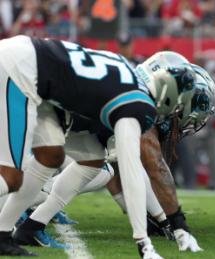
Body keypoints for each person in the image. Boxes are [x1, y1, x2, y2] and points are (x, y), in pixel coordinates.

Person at [0, 36, 199, 258]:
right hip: (21, 70)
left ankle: (6, 233)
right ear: (169, 96)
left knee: (67, 157)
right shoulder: (139, 106)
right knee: (10, 177)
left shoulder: (128, 70)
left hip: (31, 66)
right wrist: (143, 241)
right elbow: (131, 170)